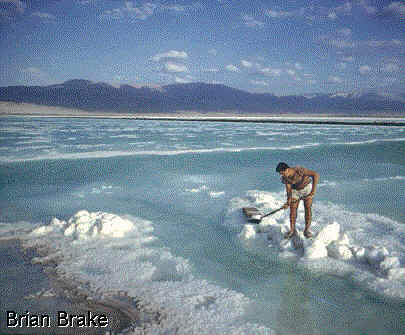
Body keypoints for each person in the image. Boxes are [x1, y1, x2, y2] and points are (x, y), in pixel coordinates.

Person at [276, 162, 319, 239]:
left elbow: (315, 174)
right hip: (295, 191)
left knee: (307, 208)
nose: (282, 175)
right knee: (292, 210)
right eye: (280, 174)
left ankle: (306, 230)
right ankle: (292, 230)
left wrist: (313, 192)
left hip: (306, 189)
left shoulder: (299, 170)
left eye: (282, 173)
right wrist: (288, 202)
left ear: (287, 169)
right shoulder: (285, 178)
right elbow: (289, 190)